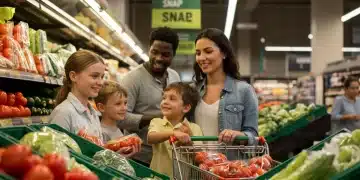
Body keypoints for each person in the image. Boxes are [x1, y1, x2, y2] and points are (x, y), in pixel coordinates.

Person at [118, 27, 181, 165]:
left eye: (165, 54)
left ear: (173, 54)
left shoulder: (175, 76)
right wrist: (156, 118)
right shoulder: (132, 79)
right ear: (149, 49)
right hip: (139, 157)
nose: (158, 58)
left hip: (168, 156)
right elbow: (120, 118)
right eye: (154, 52)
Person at [193, 28, 258, 145]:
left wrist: (240, 135)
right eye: (198, 53)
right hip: (196, 162)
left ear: (224, 53)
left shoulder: (244, 91)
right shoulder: (192, 91)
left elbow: (253, 135)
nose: (202, 58)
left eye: (208, 51)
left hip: (230, 162)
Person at [147, 82, 203, 177]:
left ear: (185, 108)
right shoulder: (156, 122)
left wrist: (188, 143)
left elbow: (198, 157)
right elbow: (151, 137)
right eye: (164, 98)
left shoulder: (194, 128)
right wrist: (173, 133)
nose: (165, 102)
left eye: (172, 99)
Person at [50, 50, 106, 141]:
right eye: (94, 76)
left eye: (102, 77)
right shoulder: (63, 113)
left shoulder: (93, 113)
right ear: (73, 76)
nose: (100, 82)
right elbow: (56, 152)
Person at [94, 81, 140, 157]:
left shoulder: (117, 129)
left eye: (125, 103)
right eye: (118, 104)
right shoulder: (101, 133)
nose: (124, 108)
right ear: (101, 107)